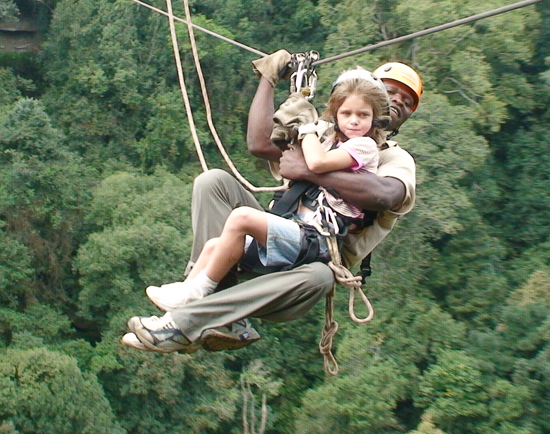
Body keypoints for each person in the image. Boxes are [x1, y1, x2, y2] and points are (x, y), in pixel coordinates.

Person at [123, 51, 423, 353]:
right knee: (213, 182)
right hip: (282, 230)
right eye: (390, 91)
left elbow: (385, 195)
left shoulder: (393, 158)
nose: (397, 100)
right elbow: (261, 143)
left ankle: (184, 323)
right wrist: (268, 79)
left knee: (320, 277)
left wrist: (308, 170)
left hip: (312, 261)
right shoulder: (325, 136)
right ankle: (211, 297)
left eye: (406, 101)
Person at [142, 69, 390, 313]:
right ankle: (183, 303)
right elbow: (269, 146)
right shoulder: (332, 141)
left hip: (317, 239)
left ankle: (199, 293)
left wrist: (307, 128)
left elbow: (316, 163)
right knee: (213, 247)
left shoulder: (364, 145)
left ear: (374, 119)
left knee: (242, 218)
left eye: (363, 115)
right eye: (346, 113)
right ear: (336, 115)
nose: (354, 121)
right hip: (298, 229)